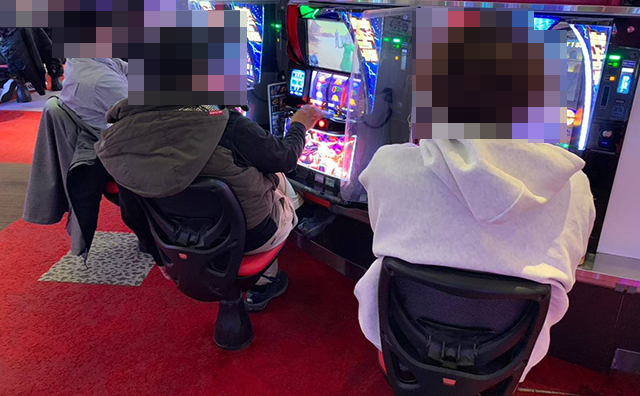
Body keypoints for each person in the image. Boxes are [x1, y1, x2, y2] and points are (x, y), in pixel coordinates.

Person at [354, 140, 595, 381]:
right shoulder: (575, 187)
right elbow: (573, 261)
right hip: (505, 360)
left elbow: (381, 232)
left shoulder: (389, 164)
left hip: (405, 346)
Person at [96, 101, 322, 311]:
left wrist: (160, 257)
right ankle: (266, 280)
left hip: (175, 239)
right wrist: (299, 124)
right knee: (279, 178)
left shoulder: (121, 138)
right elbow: (285, 159)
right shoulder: (226, 122)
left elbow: (132, 214)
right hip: (251, 238)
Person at [58, 58, 128, 130]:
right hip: (114, 132)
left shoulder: (79, 60)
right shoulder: (102, 80)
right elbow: (134, 108)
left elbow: (124, 67)